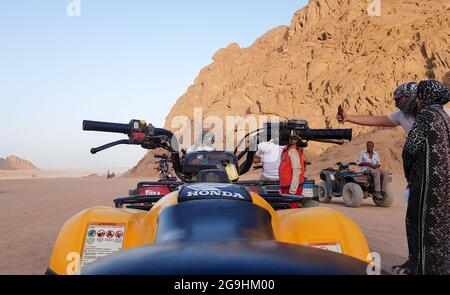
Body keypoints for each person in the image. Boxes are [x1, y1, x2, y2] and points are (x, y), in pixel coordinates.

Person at [402, 80, 450, 275]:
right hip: (445, 184)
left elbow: (410, 149)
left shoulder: (426, 116)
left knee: (416, 223)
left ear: (424, 96)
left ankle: (419, 269)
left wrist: (409, 175)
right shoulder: (445, 116)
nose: (418, 100)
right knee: (440, 229)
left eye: (419, 95)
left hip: (427, 183)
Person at [337, 82, 450, 134]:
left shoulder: (443, 114)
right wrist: (348, 118)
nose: (397, 104)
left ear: (409, 96)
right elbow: (376, 120)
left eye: (398, 99)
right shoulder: (402, 116)